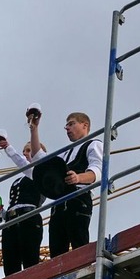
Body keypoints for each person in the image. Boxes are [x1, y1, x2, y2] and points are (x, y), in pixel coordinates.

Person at [29, 110, 103, 258]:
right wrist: (34, 129)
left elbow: (98, 170)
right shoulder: (64, 153)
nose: (67, 128)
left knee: (79, 243)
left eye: (71, 124)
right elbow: (39, 157)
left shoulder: (93, 144)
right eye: (66, 125)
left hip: (78, 198)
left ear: (85, 125)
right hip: (59, 204)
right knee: (56, 249)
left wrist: (78, 178)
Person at [0, 138, 47, 276]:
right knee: (10, 262)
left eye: (29, 150)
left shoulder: (41, 173)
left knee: (30, 259)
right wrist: (1, 211)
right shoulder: (18, 180)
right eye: (24, 151)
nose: (25, 154)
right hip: (11, 221)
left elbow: (24, 164)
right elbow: (14, 206)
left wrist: (8, 148)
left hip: (29, 217)